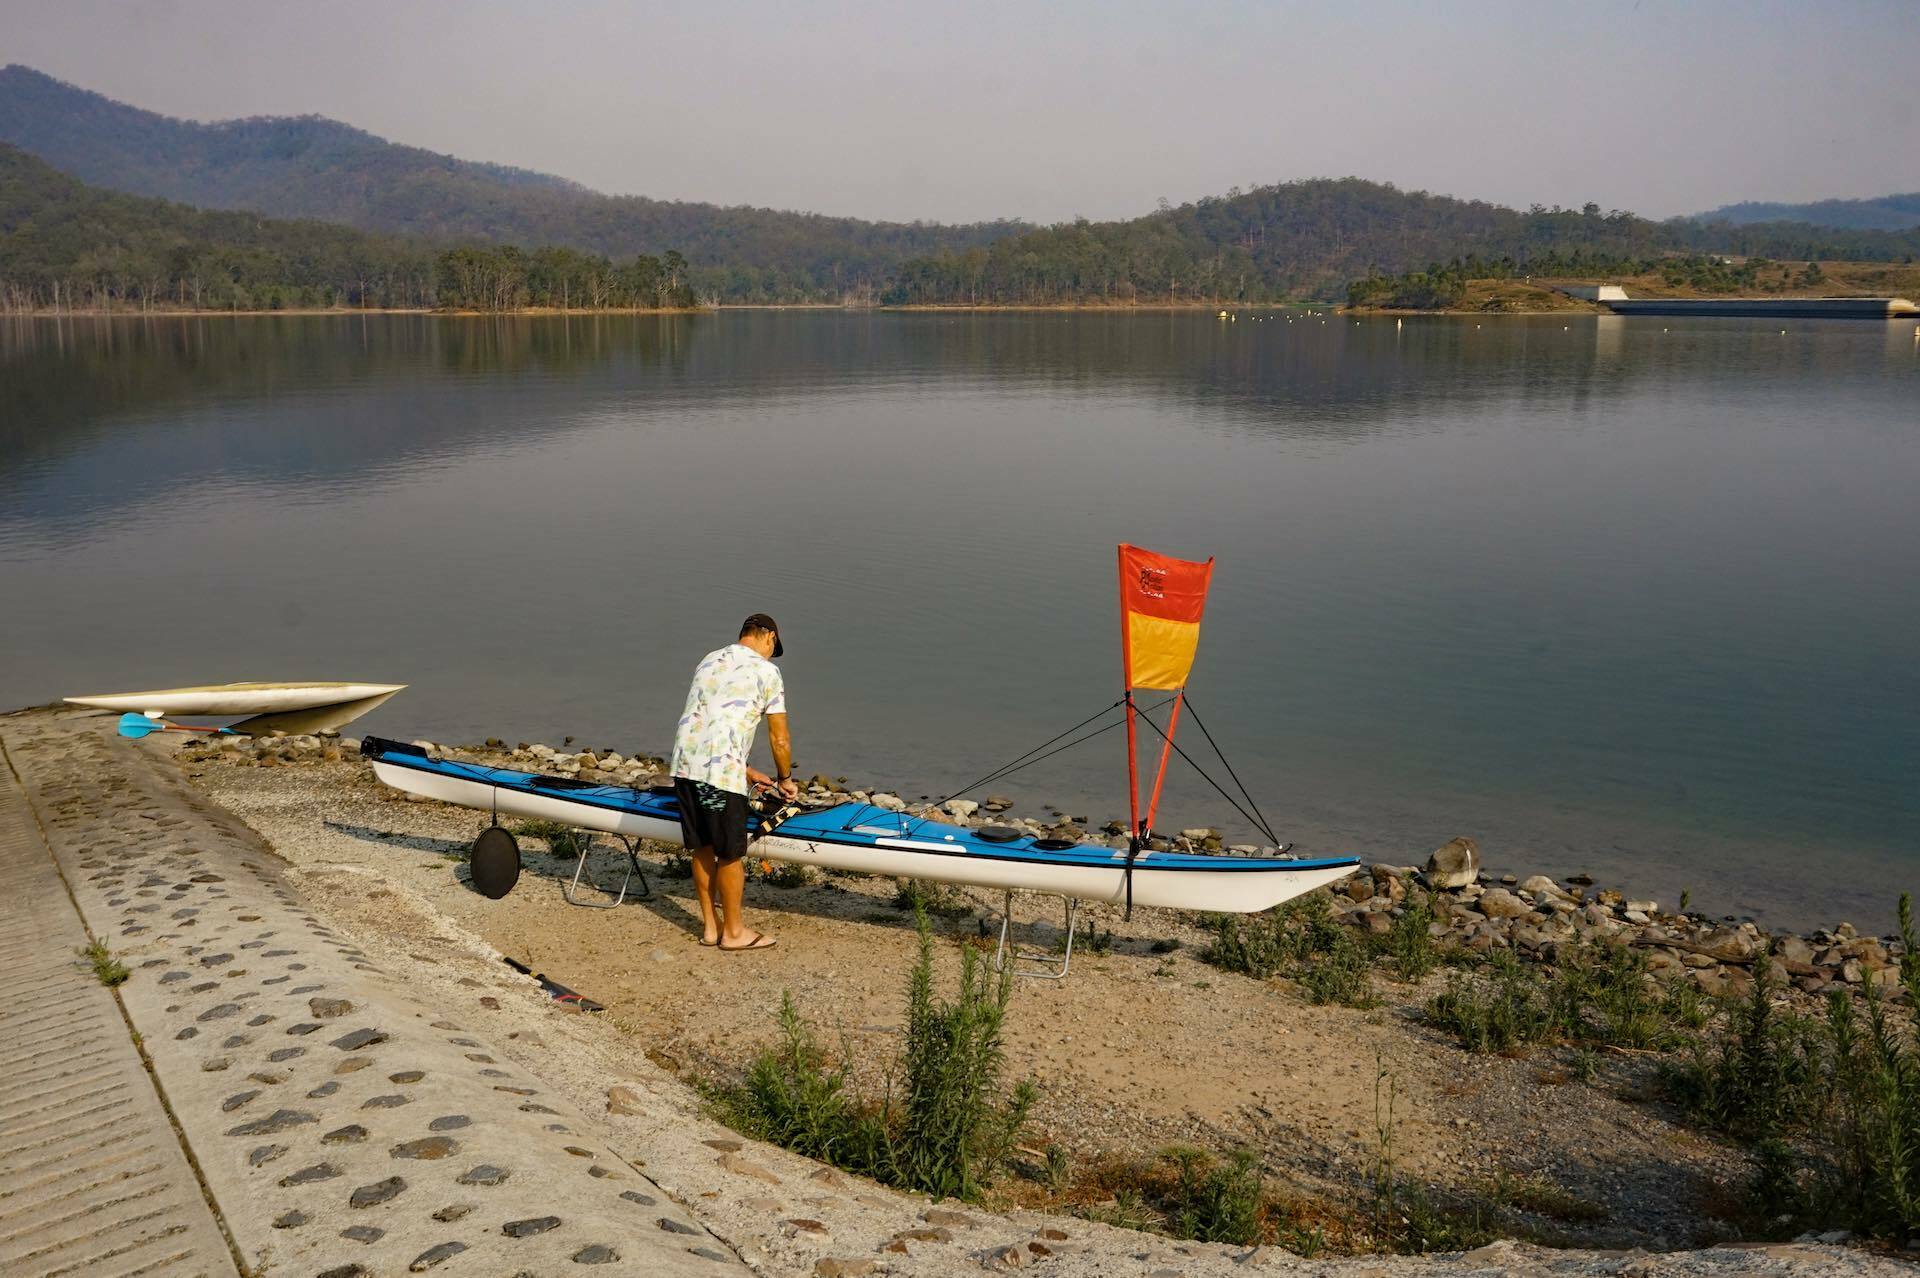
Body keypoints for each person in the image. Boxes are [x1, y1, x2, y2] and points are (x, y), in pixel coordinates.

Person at [670, 613, 797, 952]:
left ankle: (711, 929)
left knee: (702, 847)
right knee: (729, 853)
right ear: (769, 637)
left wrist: (747, 770)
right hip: (719, 776)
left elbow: (710, 723)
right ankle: (735, 932)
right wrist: (785, 779)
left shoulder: (709, 660)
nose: (771, 655)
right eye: (773, 648)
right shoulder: (767, 672)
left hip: (685, 766)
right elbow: (780, 739)